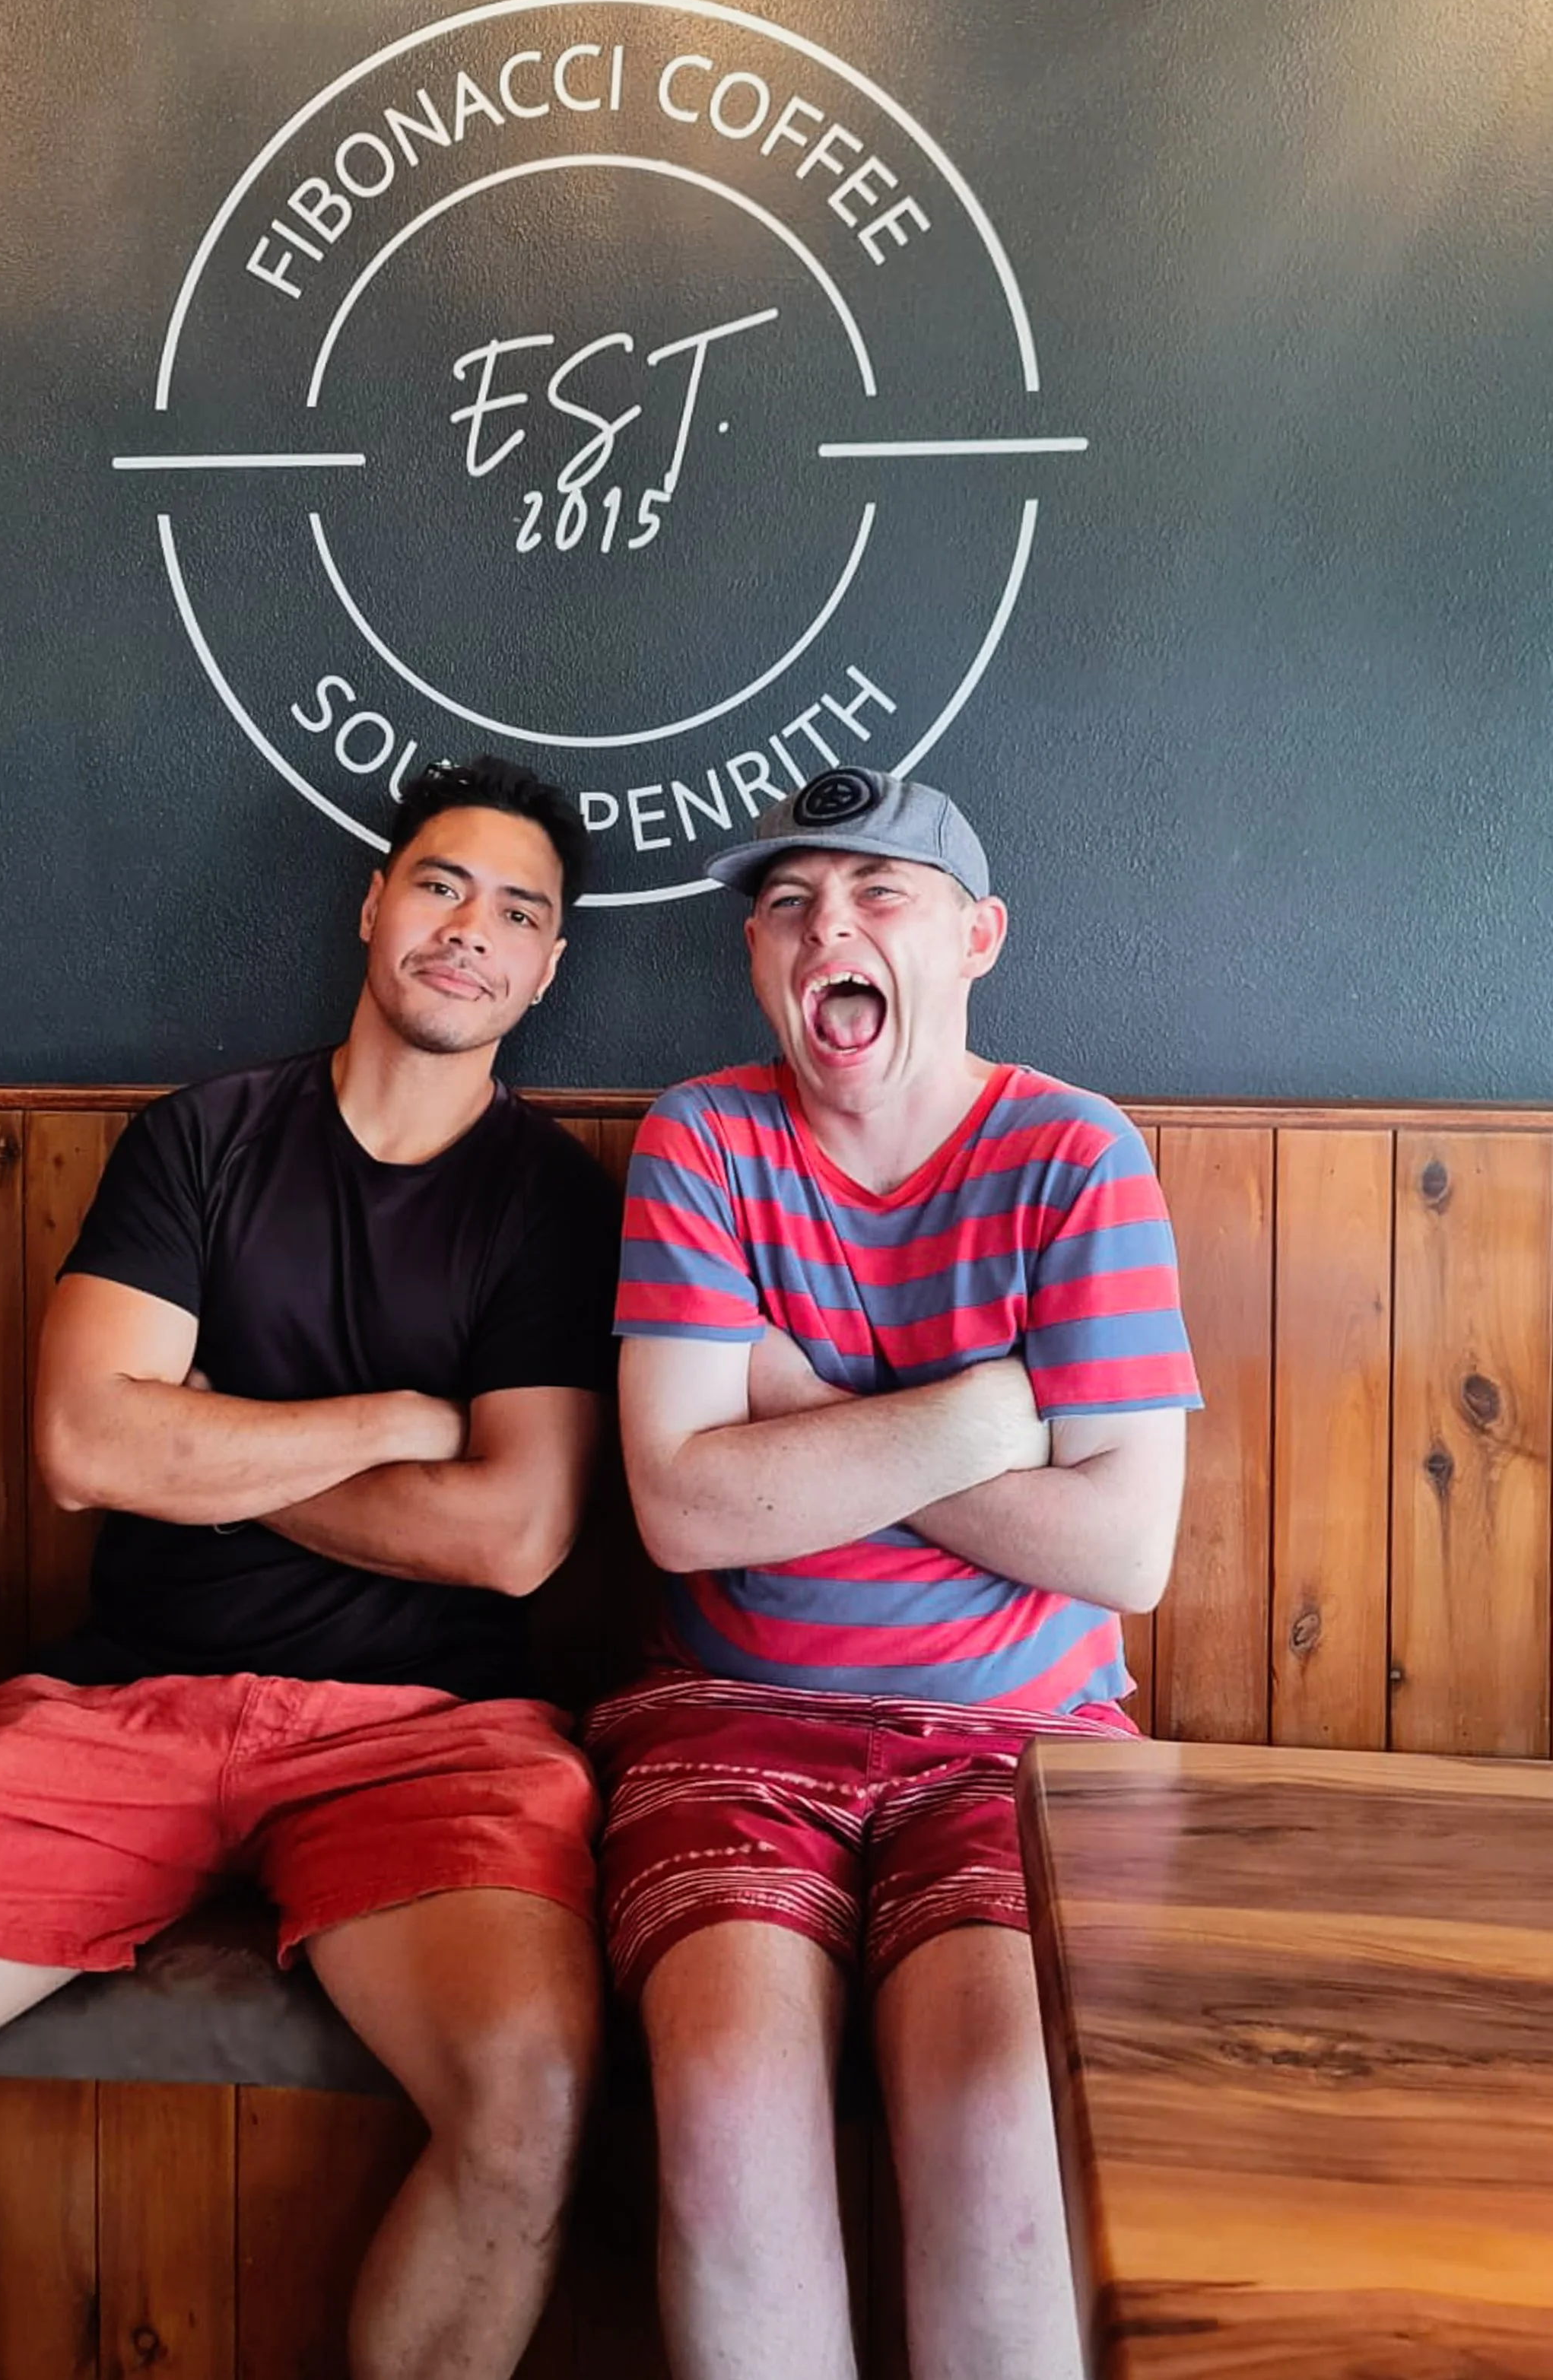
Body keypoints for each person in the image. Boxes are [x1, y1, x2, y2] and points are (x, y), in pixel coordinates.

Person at [0, 758, 623, 2380]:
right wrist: (395, 1421)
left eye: (517, 913)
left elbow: (510, 1535)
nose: (472, 930)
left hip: (435, 1728)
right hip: (121, 1706)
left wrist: (209, 1451)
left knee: (529, 2102)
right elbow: (83, 1450)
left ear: (545, 972)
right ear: (374, 905)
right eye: (442, 885)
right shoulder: (203, 1139)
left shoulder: (550, 1201)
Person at [591, 764, 1201, 2380]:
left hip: (1021, 1743)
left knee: (1004, 2141)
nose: (825, 928)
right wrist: (980, 1417)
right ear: (753, 960)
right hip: (729, 1720)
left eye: (877, 895)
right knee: (721, 2122)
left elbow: (1121, 1549)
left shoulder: (1075, 1154)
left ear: (974, 938)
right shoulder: (701, 1138)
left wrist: (807, 1412)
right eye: (786, 904)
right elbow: (681, 1509)